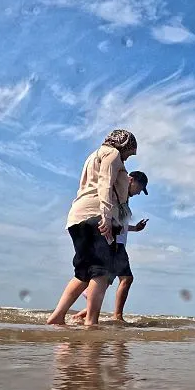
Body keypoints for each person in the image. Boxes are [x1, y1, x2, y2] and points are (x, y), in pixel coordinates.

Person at [47, 129, 137, 326]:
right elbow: (105, 183)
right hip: (96, 215)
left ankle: (57, 316)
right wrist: (105, 216)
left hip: (77, 216)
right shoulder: (112, 154)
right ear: (123, 145)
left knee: (84, 272)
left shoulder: (93, 155)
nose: (127, 159)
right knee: (101, 272)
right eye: (129, 153)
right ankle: (91, 322)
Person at [70, 171, 149, 324]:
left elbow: (121, 224)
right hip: (115, 243)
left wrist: (135, 228)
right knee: (126, 278)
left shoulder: (123, 198)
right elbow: (108, 217)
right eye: (140, 188)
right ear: (131, 180)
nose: (139, 192)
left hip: (117, 242)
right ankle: (117, 316)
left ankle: (82, 314)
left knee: (103, 281)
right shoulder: (117, 193)